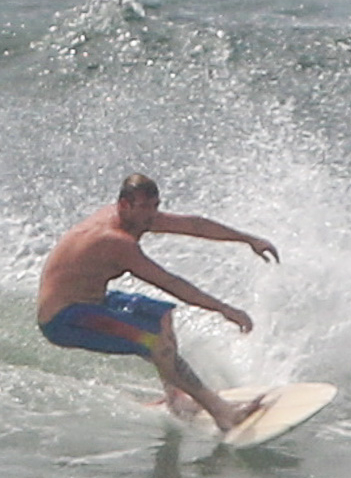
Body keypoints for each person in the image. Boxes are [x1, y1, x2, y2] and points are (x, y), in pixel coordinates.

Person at [37, 173, 280, 432]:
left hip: (94, 302)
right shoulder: (115, 241)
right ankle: (223, 413)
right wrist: (225, 309)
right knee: (155, 343)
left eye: (155, 206)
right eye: (144, 208)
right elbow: (170, 283)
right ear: (123, 206)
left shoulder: (136, 218)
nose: (151, 216)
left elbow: (194, 225)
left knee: (160, 317)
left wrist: (248, 239)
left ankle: (177, 400)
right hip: (65, 319)